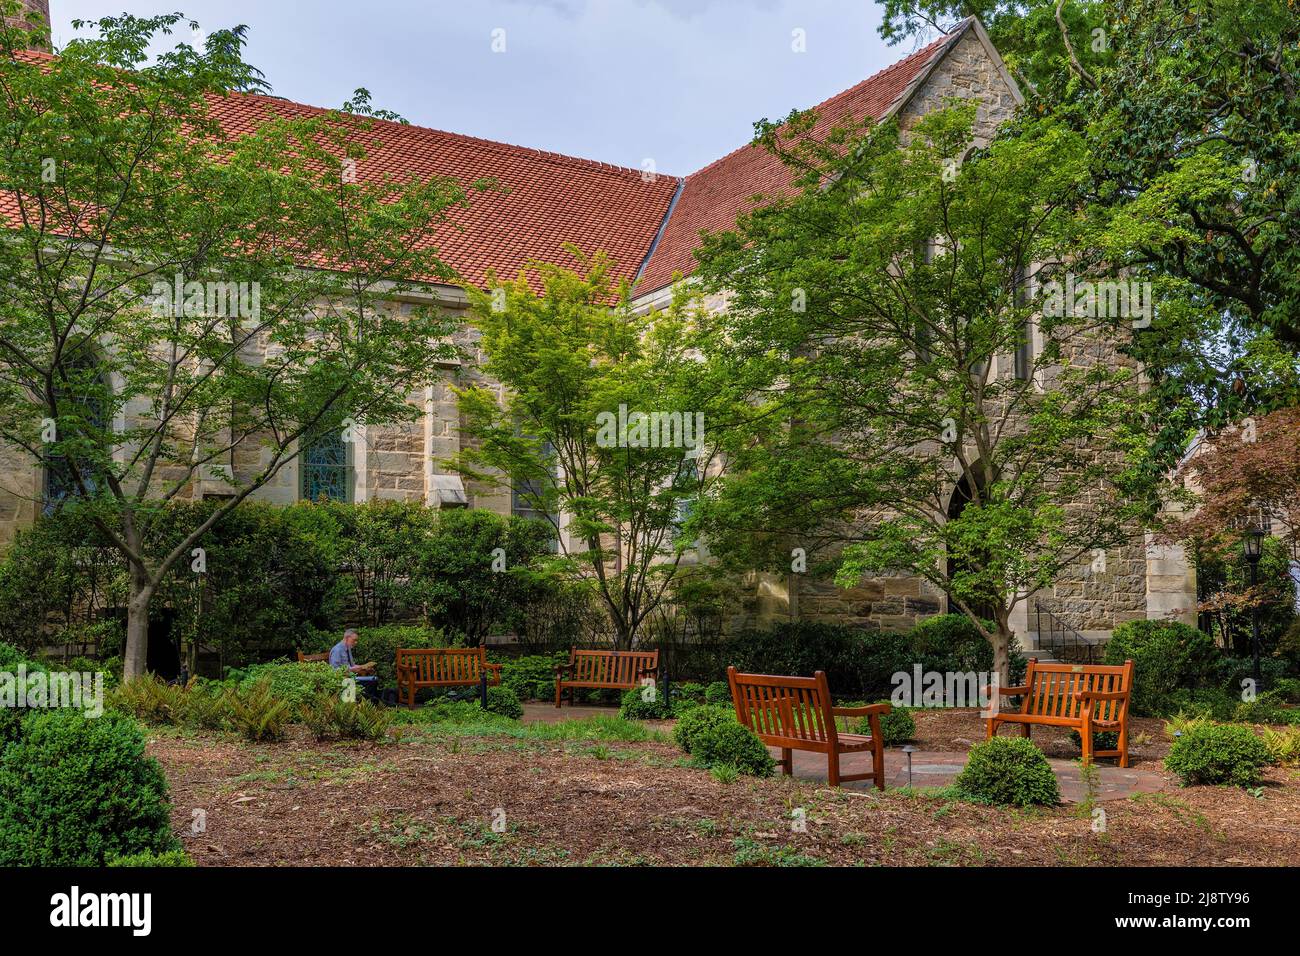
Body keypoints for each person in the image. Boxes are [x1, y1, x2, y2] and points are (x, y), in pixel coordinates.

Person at [328, 628, 379, 701]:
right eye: (354, 640)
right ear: (347, 638)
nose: (356, 642)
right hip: (343, 680)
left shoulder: (347, 648)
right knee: (372, 681)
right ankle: (368, 706)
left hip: (350, 677)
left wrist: (364, 668)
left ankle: (368, 706)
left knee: (373, 679)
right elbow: (335, 670)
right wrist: (355, 669)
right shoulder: (337, 650)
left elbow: (352, 666)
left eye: (356, 640)